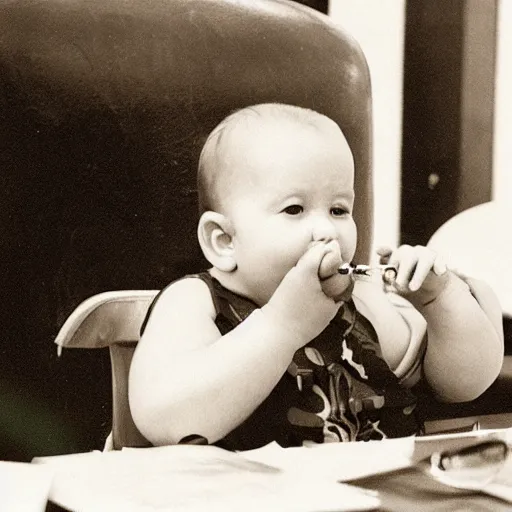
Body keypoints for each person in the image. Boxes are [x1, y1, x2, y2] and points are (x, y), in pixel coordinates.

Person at [129, 103, 504, 450]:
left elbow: (462, 384)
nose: (326, 230)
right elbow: (164, 418)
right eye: (294, 209)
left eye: (339, 209)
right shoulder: (195, 302)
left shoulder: (361, 303)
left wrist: (440, 300)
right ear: (224, 241)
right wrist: (283, 327)